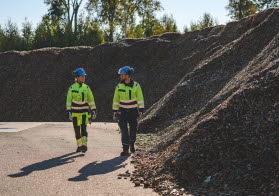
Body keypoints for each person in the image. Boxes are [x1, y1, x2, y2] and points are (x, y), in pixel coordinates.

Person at [112, 66, 145, 156]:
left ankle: (132, 144)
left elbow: (140, 98)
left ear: (128, 75)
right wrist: (115, 111)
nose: (121, 76)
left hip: (133, 111)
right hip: (122, 111)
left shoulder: (136, 86)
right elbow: (116, 99)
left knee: (133, 129)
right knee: (124, 130)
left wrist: (141, 109)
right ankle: (125, 149)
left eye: (122, 75)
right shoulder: (119, 86)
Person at [66, 68, 97, 153]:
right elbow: (68, 101)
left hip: (84, 113)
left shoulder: (86, 88)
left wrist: (93, 110)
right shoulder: (72, 88)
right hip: (75, 113)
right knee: (77, 130)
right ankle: (79, 146)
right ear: (77, 77)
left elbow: (91, 100)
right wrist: (68, 111)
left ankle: (84, 145)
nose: (84, 77)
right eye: (82, 76)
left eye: (84, 76)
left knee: (83, 129)